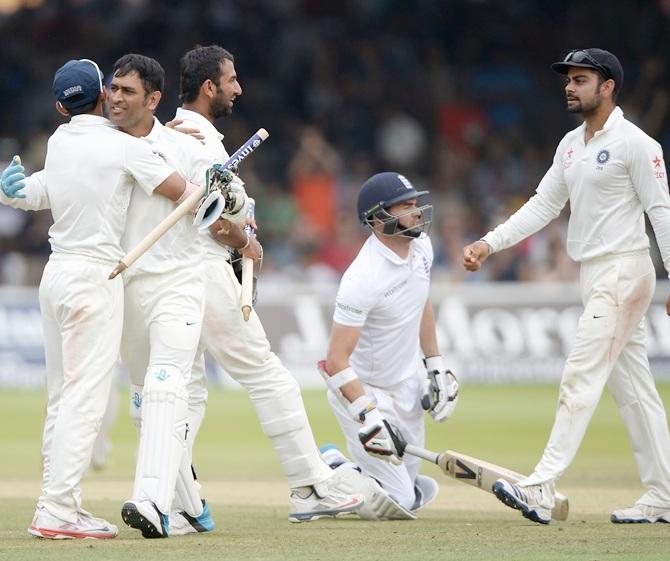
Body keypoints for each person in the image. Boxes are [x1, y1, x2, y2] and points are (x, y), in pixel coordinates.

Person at [0, 58, 207, 539]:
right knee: (85, 400)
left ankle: (55, 502)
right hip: (95, 278)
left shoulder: (58, 141)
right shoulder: (122, 147)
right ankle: (57, 509)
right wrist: (188, 157)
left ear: (60, 107)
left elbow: (42, 192)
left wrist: (12, 193)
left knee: (63, 399)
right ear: (100, 95)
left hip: (55, 277)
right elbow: (185, 193)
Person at [463, 48, 670, 525]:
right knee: (636, 392)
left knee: (579, 376)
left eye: (580, 80)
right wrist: (489, 244)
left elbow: (660, 213)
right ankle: (661, 494)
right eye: (569, 80)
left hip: (623, 270)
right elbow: (543, 205)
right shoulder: (571, 145)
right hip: (594, 274)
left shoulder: (638, 144)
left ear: (608, 86)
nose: (570, 87)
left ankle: (540, 485)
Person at [173, 44, 363, 522]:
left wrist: (240, 225)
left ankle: (173, 501)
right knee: (268, 375)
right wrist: (244, 240)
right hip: (200, 271)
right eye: (232, 80)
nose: (239, 88)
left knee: (186, 391)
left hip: (167, 280)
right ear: (209, 87)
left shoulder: (167, 133)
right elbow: (204, 214)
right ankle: (310, 486)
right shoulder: (199, 142)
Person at [107, 53, 247, 538]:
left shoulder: (184, 146)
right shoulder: (100, 147)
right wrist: (19, 193)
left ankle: (151, 502)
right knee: (144, 405)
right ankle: (192, 506)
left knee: (168, 386)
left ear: (153, 99)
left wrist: (223, 193)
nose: (116, 98)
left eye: (128, 91)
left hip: (178, 285)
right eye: (113, 88)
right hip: (126, 288)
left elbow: (233, 208)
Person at [320, 172, 459, 520]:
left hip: (406, 385)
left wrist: (436, 364)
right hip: (365, 392)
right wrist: (368, 416)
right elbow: (336, 361)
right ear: (378, 217)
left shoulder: (422, 247)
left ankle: (352, 470)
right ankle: (326, 470)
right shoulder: (362, 278)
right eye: (407, 206)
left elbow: (420, 301)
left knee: (411, 491)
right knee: (398, 500)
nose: (417, 212)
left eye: (416, 204)